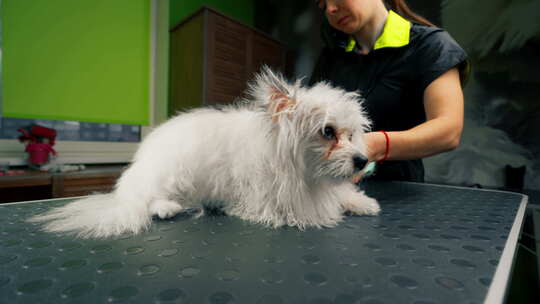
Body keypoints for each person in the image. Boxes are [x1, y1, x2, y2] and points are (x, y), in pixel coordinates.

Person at [310, 0, 470, 182]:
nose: (331, 9)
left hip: (400, 192)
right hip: (333, 192)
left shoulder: (432, 45)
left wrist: (375, 145)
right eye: (323, 4)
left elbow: (448, 131)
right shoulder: (331, 56)